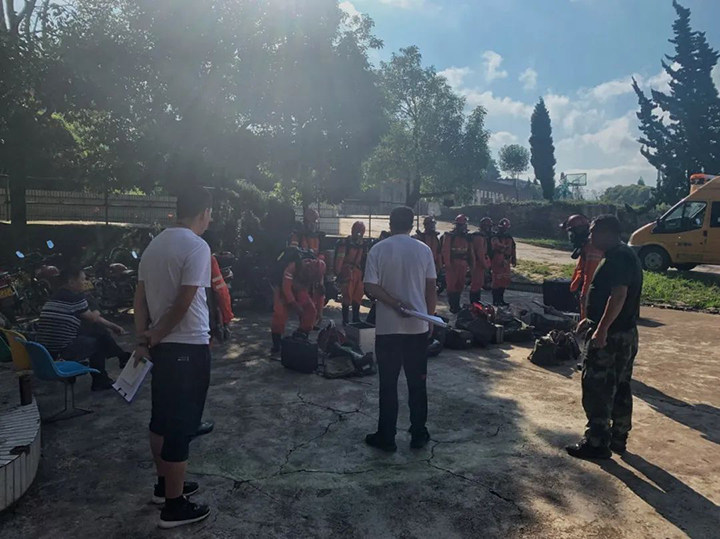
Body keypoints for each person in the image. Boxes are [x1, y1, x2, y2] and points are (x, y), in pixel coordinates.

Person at [133, 185, 214, 528]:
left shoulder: (154, 245)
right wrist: (158, 333)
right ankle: (174, 506)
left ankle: (164, 485)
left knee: (161, 418)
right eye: (210, 213)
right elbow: (184, 300)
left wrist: (144, 338)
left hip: (163, 349)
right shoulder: (196, 245)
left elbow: (139, 298)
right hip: (187, 346)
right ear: (203, 213)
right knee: (180, 425)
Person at [566, 214, 643, 460]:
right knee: (620, 385)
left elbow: (618, 296)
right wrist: (589, 321)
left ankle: (597, 442)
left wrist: (601, 330)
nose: (590, 237)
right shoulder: (622, 254)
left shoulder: (618, 257)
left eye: (593, 232)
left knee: (597, 387)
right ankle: (618, 437)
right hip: (622, 332)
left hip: (612, 336)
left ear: (607, 233)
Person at [363, 206, 437, 452]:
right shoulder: (424, 250)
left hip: (388, 328)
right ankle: (418, 433)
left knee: (388, 383)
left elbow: (370, 287)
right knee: (417, 383)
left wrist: (395, 304)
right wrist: (429, 319)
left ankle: (387, 436)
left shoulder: (378, 249)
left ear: (390, 223)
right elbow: (431, 288)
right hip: (417, 327)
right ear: (411, 224)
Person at [36, 266, 130, 391]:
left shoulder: (55, 296)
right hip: (61, 350)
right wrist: (96, 307)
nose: (85, 282)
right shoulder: (74, 298)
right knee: (98, 343)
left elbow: (91, 319)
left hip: (48, 350)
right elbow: (93, 318)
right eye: (83, 279)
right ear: (71, 282)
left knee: (96, 330)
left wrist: (113, 326)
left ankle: (121, 357)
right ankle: (101, 378)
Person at [270, 257, 327, 352]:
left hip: (299, 290)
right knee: (280, 312)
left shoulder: (318, 275)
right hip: (282, 288)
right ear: (309, 267)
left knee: (311, 311)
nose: (311, 275)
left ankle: (302, 335)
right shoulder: (293, 267)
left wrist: (320, 313)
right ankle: (276, 343)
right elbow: (286, 288)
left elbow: (320, 294)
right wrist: (294, 304)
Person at [562, 214, 604, 319]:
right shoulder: (586, 245)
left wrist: (585, 296)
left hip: (593, 293)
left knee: (588, 320)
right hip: (590, 291)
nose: (571, 237)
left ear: (579, 231)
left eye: (571, 233)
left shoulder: (592, 247)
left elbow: (589, 275)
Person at [289, 208, 326, 325]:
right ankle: (305, 323)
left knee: (319, 295)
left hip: (317, 271)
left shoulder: (318, 236)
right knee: (305, 300)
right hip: (303, 271)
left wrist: (320, 261)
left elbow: (322, 252)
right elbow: (293, 253)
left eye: (316, 221)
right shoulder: (297, 235)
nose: (315, 223)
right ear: (306, 221)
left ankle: (316, 320)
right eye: (313, 220)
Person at [335, 221, 368, 325]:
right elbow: (339, 259)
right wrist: (338, 273)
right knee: (347, 296)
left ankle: (356, 318)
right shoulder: (344, 243)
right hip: (347, 272)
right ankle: (345, 320)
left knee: (358, 295)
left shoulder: (363, 245)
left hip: (358, 272)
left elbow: (364, 259)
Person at [441, 214, 472, 314]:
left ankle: (457, 305)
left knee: (460, 284)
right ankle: (453, 306)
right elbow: (445, 251)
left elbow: (470, 251)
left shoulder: (467, 237)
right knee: (451, 285)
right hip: (453, 263)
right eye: (463, 225)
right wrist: (447, 264)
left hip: (463, 263)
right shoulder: (450, 236)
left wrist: (471, 264)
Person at [490, 218, 517, 307]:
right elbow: (496, 245)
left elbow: (513, 247)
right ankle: (495, 300)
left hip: (507, 259)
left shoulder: (509, 237)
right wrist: (504, 247)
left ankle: (501, 300)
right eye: (503, 227)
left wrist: (514, 258)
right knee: (497, 280)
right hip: (498, 258)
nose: (504, 229)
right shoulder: (495, 236)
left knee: (505, 280)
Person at [469, 217, 493, 304]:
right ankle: (474, 303)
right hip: (477, 263)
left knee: (479, 283)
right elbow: (480, 253)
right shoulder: (479, 237)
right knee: (476, 283)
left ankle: (476, 301)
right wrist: (485, 266)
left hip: (479, 263)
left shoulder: (481, 236)